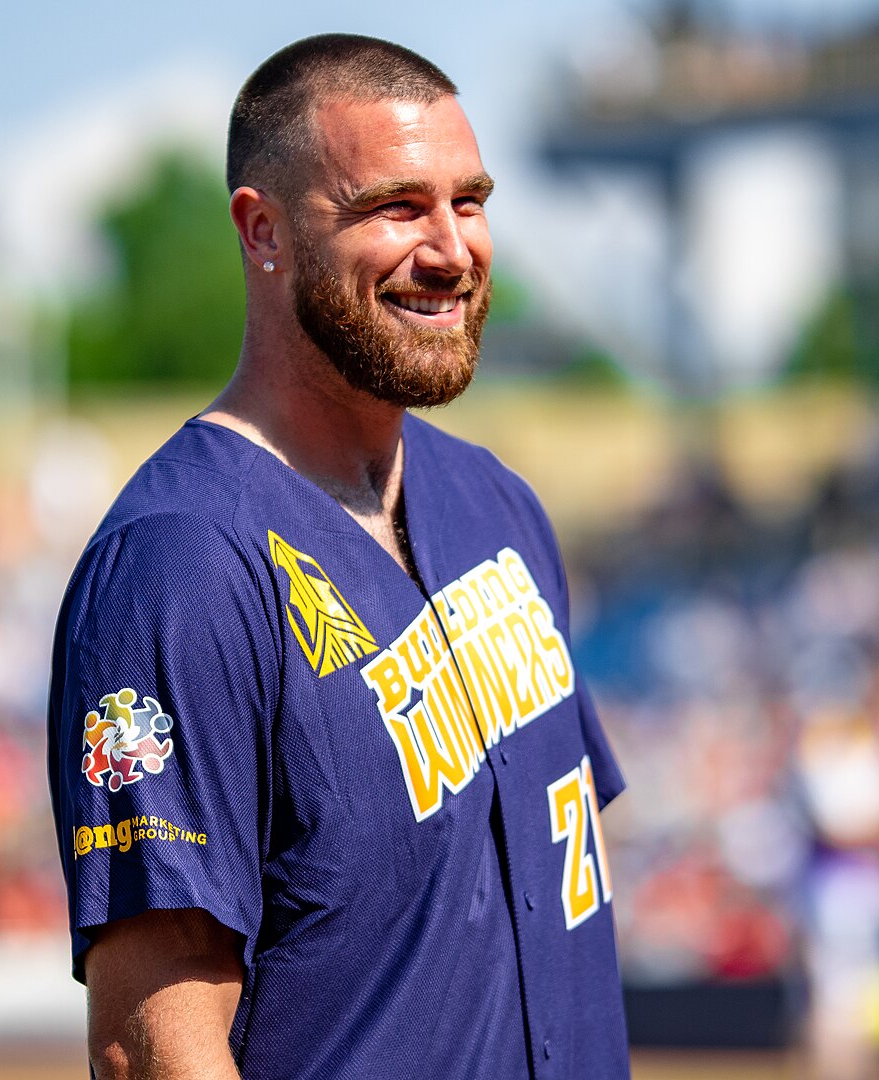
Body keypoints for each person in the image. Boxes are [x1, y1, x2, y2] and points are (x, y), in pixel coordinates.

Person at [47, 33, 631, 1080]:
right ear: (263, 229)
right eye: (397, 207)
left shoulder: (501, 506)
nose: (453, 248)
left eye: (471, 200)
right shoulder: (178, 567)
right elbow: (155, 1050)